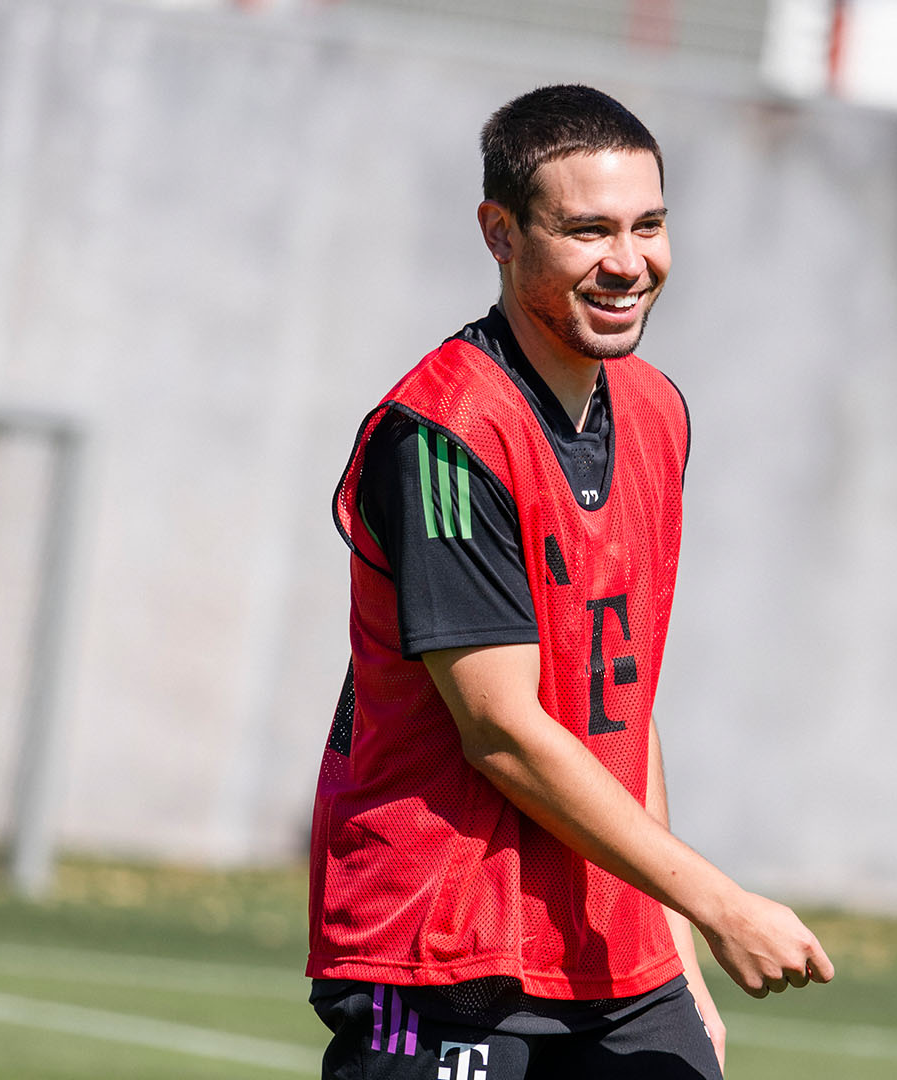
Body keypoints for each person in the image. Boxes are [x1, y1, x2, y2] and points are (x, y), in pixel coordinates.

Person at [308, 83, 833, 1080]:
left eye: (648, 225)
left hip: (615, 960)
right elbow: (500, 730)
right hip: (440, 948)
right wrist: (719, 904)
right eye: (588, 231)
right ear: (500, 234)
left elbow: (621, 707)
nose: (628, 262)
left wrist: (676, 957)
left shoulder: (655, 413)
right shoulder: (443, 442)